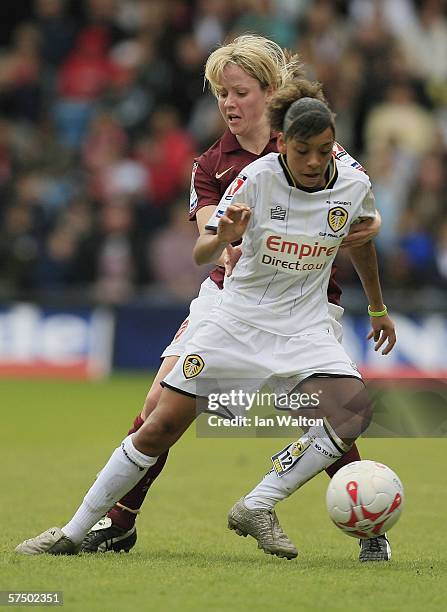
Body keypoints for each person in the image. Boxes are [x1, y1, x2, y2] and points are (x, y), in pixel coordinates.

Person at [15, 40, 386, 561]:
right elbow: (210, 234)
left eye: (240, 92)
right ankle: (115, 523)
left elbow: (359, 204)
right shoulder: (217, 164)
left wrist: (375, 257)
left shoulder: (312, 142)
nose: (229, 105)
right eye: (220, 95)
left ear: (270, 93)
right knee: (157, 411)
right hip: (230, 298)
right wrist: (224, 237)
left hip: (308, 302)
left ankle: (367, 524)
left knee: (330, 413)